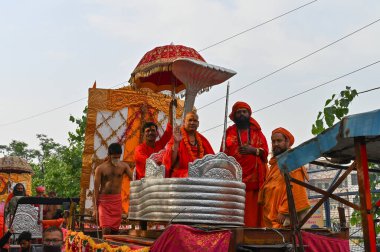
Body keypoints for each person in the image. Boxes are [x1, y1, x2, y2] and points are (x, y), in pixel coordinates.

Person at [222, 101, 269, 227]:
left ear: (249, 114)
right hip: (234, 179)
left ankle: (253, 234)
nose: (242, 114)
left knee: (252, 213)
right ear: (234, 115)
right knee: (235, 211)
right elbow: (223, 152)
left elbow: (265, 152)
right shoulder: (229, 132)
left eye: (244, 112)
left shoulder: (256, 132)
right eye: (238, 112)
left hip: (254, 180)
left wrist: (253, 150)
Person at [258, 127, 310, 228]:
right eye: (273, 141)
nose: (276, 144)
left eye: (279, 141)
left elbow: (295, 189)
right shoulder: (274, 164)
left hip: (282, 218)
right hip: (270, 218)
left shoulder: (292, 161)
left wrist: (285, 211)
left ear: (287, 142)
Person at [93, 142, 133, 235]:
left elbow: (134, 179)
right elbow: (95, 189)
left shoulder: (124, 166)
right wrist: (95, 209)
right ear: (109, 155)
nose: (116, 159)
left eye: (118, 157)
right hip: (104, 202)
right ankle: (104, 248)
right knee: (106, 229)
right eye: (114, 157)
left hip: (116, 201)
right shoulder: (100, 168)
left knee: (115, 231)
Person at [163, 111, 214, 178]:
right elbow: (170, 161)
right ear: (184, 122)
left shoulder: (202, 139)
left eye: (194, 121)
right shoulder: (177, 136)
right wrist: (176, 143)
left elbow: (212, 159)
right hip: (180, 174)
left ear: (198, 124)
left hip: (200, 173)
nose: (192, 123)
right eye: (190, 120)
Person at [134, 103, 174, 180]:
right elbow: (149, 163)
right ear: (143, 134)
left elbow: (169, 130)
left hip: (159, 179)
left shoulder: (160, 144)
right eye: (148, 131)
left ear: (156, 133)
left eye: (153, 130)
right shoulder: (139, 149)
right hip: (145, 183)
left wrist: (171, 110)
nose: (150, 133)